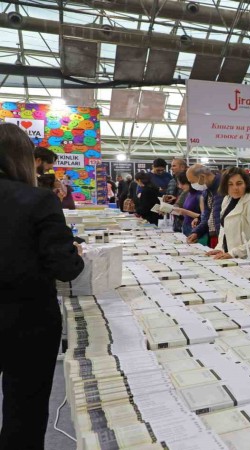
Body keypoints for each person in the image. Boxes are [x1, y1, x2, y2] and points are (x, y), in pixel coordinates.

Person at [0, 123, 84, 449]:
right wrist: (74, 254)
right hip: (27, 322)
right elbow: (65, 268)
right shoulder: (37, 200)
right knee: (25, 410)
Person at [206, 167, 250, 263]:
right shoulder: (227, 199)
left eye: (239, 183)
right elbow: (224, 227)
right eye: (230, 184)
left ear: (246, 184)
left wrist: (234, 253)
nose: (235, 188)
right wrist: (220, 248)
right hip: (230, 256)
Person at [186, 164, 224, 248]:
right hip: (213, 236)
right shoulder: (206, 191)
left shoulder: (222, 188)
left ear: (202, 177)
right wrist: (196, 232)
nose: (192, 185)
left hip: (224, 237)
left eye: (192, 182)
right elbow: (206, 216)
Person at [170, 171, 202, 236]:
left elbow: (203, 216)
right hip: (186, 226)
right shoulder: (188, 193)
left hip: (195, 228)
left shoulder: (200, 195)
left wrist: (184, 212)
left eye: (182, 184)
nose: (180, 186)